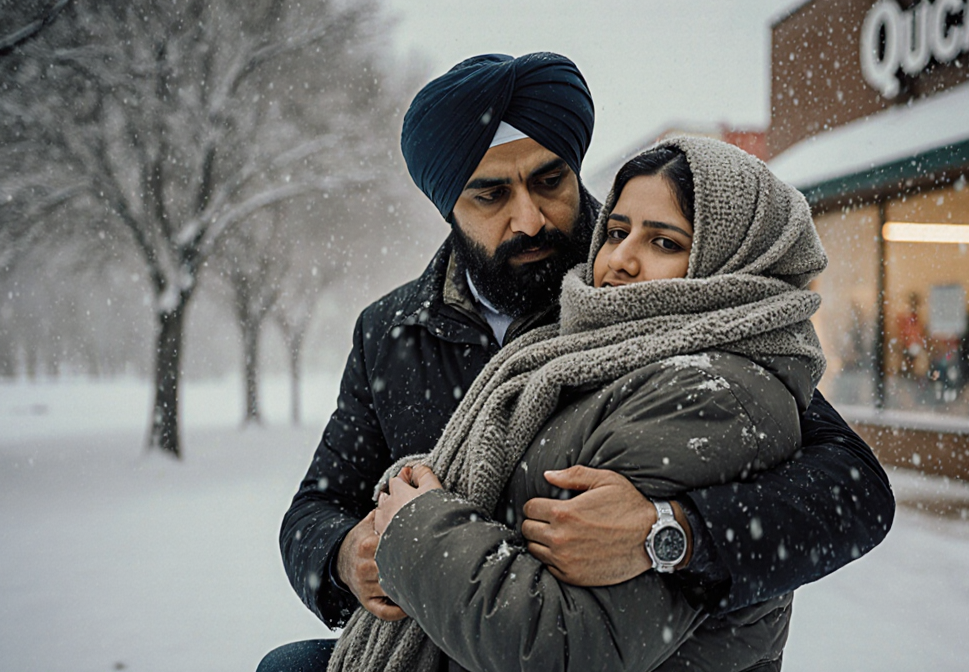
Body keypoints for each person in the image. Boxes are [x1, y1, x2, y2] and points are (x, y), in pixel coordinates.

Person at [261, 52, 894, 672]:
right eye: (490, 195)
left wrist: (670, 533)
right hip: (444, 625)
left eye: (549, 180)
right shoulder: (393, 331)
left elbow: (852, 489)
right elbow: (317, 507)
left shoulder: (647, 299)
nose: (530, 219)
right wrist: (349, 556)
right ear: (447, 205)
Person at [328, 136, 829, 672]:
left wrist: (420, 528)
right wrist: (347, 550)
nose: (621, 260)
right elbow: (321, 499)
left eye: (664, 243)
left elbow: (559, 648)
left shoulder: (711, 394)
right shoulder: (594, 350)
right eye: (616, 233)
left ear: (734, 260)